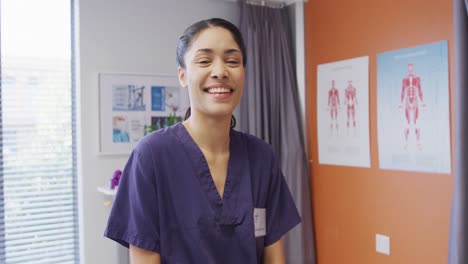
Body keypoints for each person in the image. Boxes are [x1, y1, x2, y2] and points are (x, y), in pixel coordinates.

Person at [104, 18, 301, 264]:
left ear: (243, 74)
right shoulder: (152, 155)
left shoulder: (261, 157)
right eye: (204, 61)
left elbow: (274, 255)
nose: (220, 72)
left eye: (232, 61)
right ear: (183, 75)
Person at [399, 63, 425, 148]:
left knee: (417, 122)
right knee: (406, 123)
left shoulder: (417, 79)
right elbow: (403, 91)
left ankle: (418, 142)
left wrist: (422, 101)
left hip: (415, 102)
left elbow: (420, 90)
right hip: (407, 102)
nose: (410, 70)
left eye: (411, 69)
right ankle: (405, 143)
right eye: (409, 69)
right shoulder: (404, 80)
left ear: (413, 69)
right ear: (407, 69)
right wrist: (401, 103)